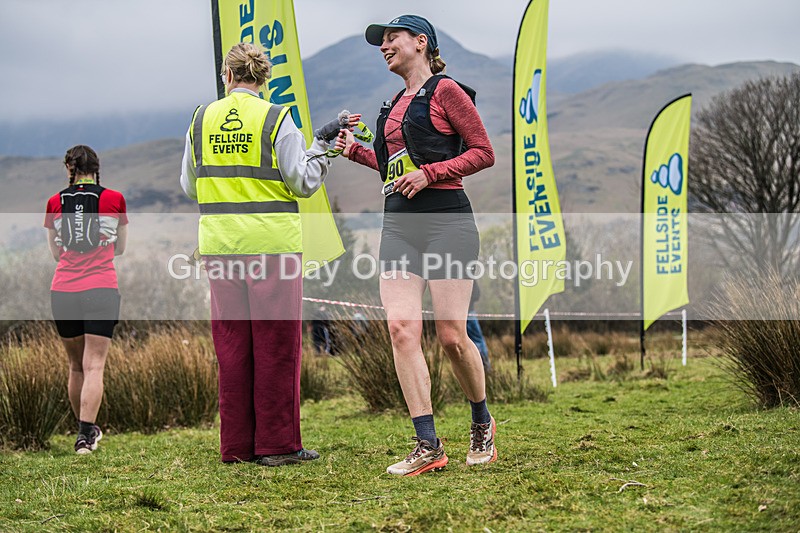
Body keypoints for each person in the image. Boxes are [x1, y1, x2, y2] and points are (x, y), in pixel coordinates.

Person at [180, 43, 351, 466]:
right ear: (265, 78)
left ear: (226, 75)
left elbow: (189, 185)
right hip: (272, 246)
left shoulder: (200, 120)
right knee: (276, 345)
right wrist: (324, 148)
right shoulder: (277, 118)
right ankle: (277, 446)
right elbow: (303, 181)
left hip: (220, 247)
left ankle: (236, 447)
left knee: (233, 346)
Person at [341, 15, 497, 476]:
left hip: (447, 222)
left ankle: (481, 420)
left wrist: (430, 173)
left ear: (420, 43)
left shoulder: (447, 91)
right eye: (381, 42)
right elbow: (392, 169)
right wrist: (357, 152)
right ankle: (428, 444)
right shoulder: (390, 106)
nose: (384, 46)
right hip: (399, 227)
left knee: (451, 337)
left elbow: (483, 151)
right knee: (401, 330)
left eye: (391, 39)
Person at [44, 144, 128, 455]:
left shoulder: (55, 202)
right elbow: (120, 249)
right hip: (101, 288)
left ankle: (83, 429)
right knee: (94, 366)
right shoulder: (114, 199)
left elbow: (56, 253)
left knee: (75, 365)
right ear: (96, 168)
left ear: (70, 168)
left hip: (63, 289)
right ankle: (85, 437)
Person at [467, 282, 491, 372]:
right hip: (458, 315)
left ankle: (485, 365)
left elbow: (476, 294)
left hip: (469, 313)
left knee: (477, 341)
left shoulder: (470, 278)